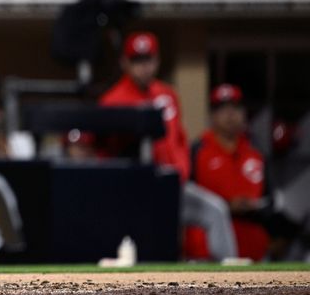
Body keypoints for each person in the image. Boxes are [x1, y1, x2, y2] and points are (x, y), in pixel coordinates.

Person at [100, 32, 238, 260]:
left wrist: (180, 171)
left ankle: (236, 281)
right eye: (136, 60)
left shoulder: (168, 94)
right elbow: (106, 151)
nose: (143, 67)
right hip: (133, 191)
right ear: (124, 62)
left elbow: (179, 139)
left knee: (215, 210)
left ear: (157, 60)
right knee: (145, 249)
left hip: (171, 184)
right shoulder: (113, 100)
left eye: (148, 59)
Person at [186, 84, 270, 261]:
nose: (230, 114)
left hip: (252, 244)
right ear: (212, 115)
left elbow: (270, 198)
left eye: (235, 107)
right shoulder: (198, 149)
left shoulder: (256, 150)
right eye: (222, 108)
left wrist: (254, 205)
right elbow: (188, 198)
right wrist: (227, 205)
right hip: (206, 249)